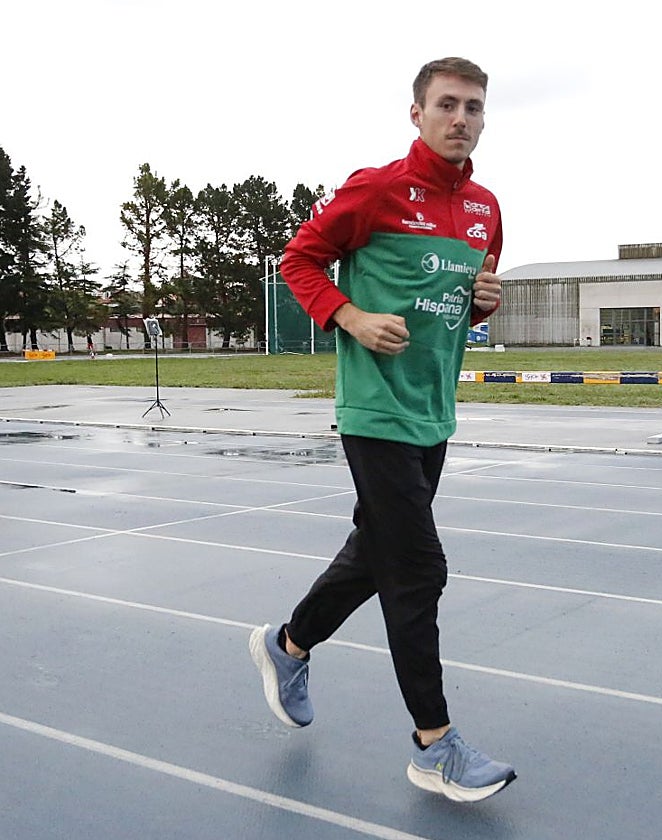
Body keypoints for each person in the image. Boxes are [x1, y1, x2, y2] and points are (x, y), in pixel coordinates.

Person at [248, 56, 516, 804]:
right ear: (417, 113)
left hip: (433, 410)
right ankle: (435, 745)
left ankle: (289, 645)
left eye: (473, 107)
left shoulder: (486, 208)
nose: (461, 118)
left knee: (377, 551)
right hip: (374, 409)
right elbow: (300, 260)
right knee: (418, 569)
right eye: (447, 104)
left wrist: (483, 301)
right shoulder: (376, 190)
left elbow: (461, 299)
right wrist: (351, 317)